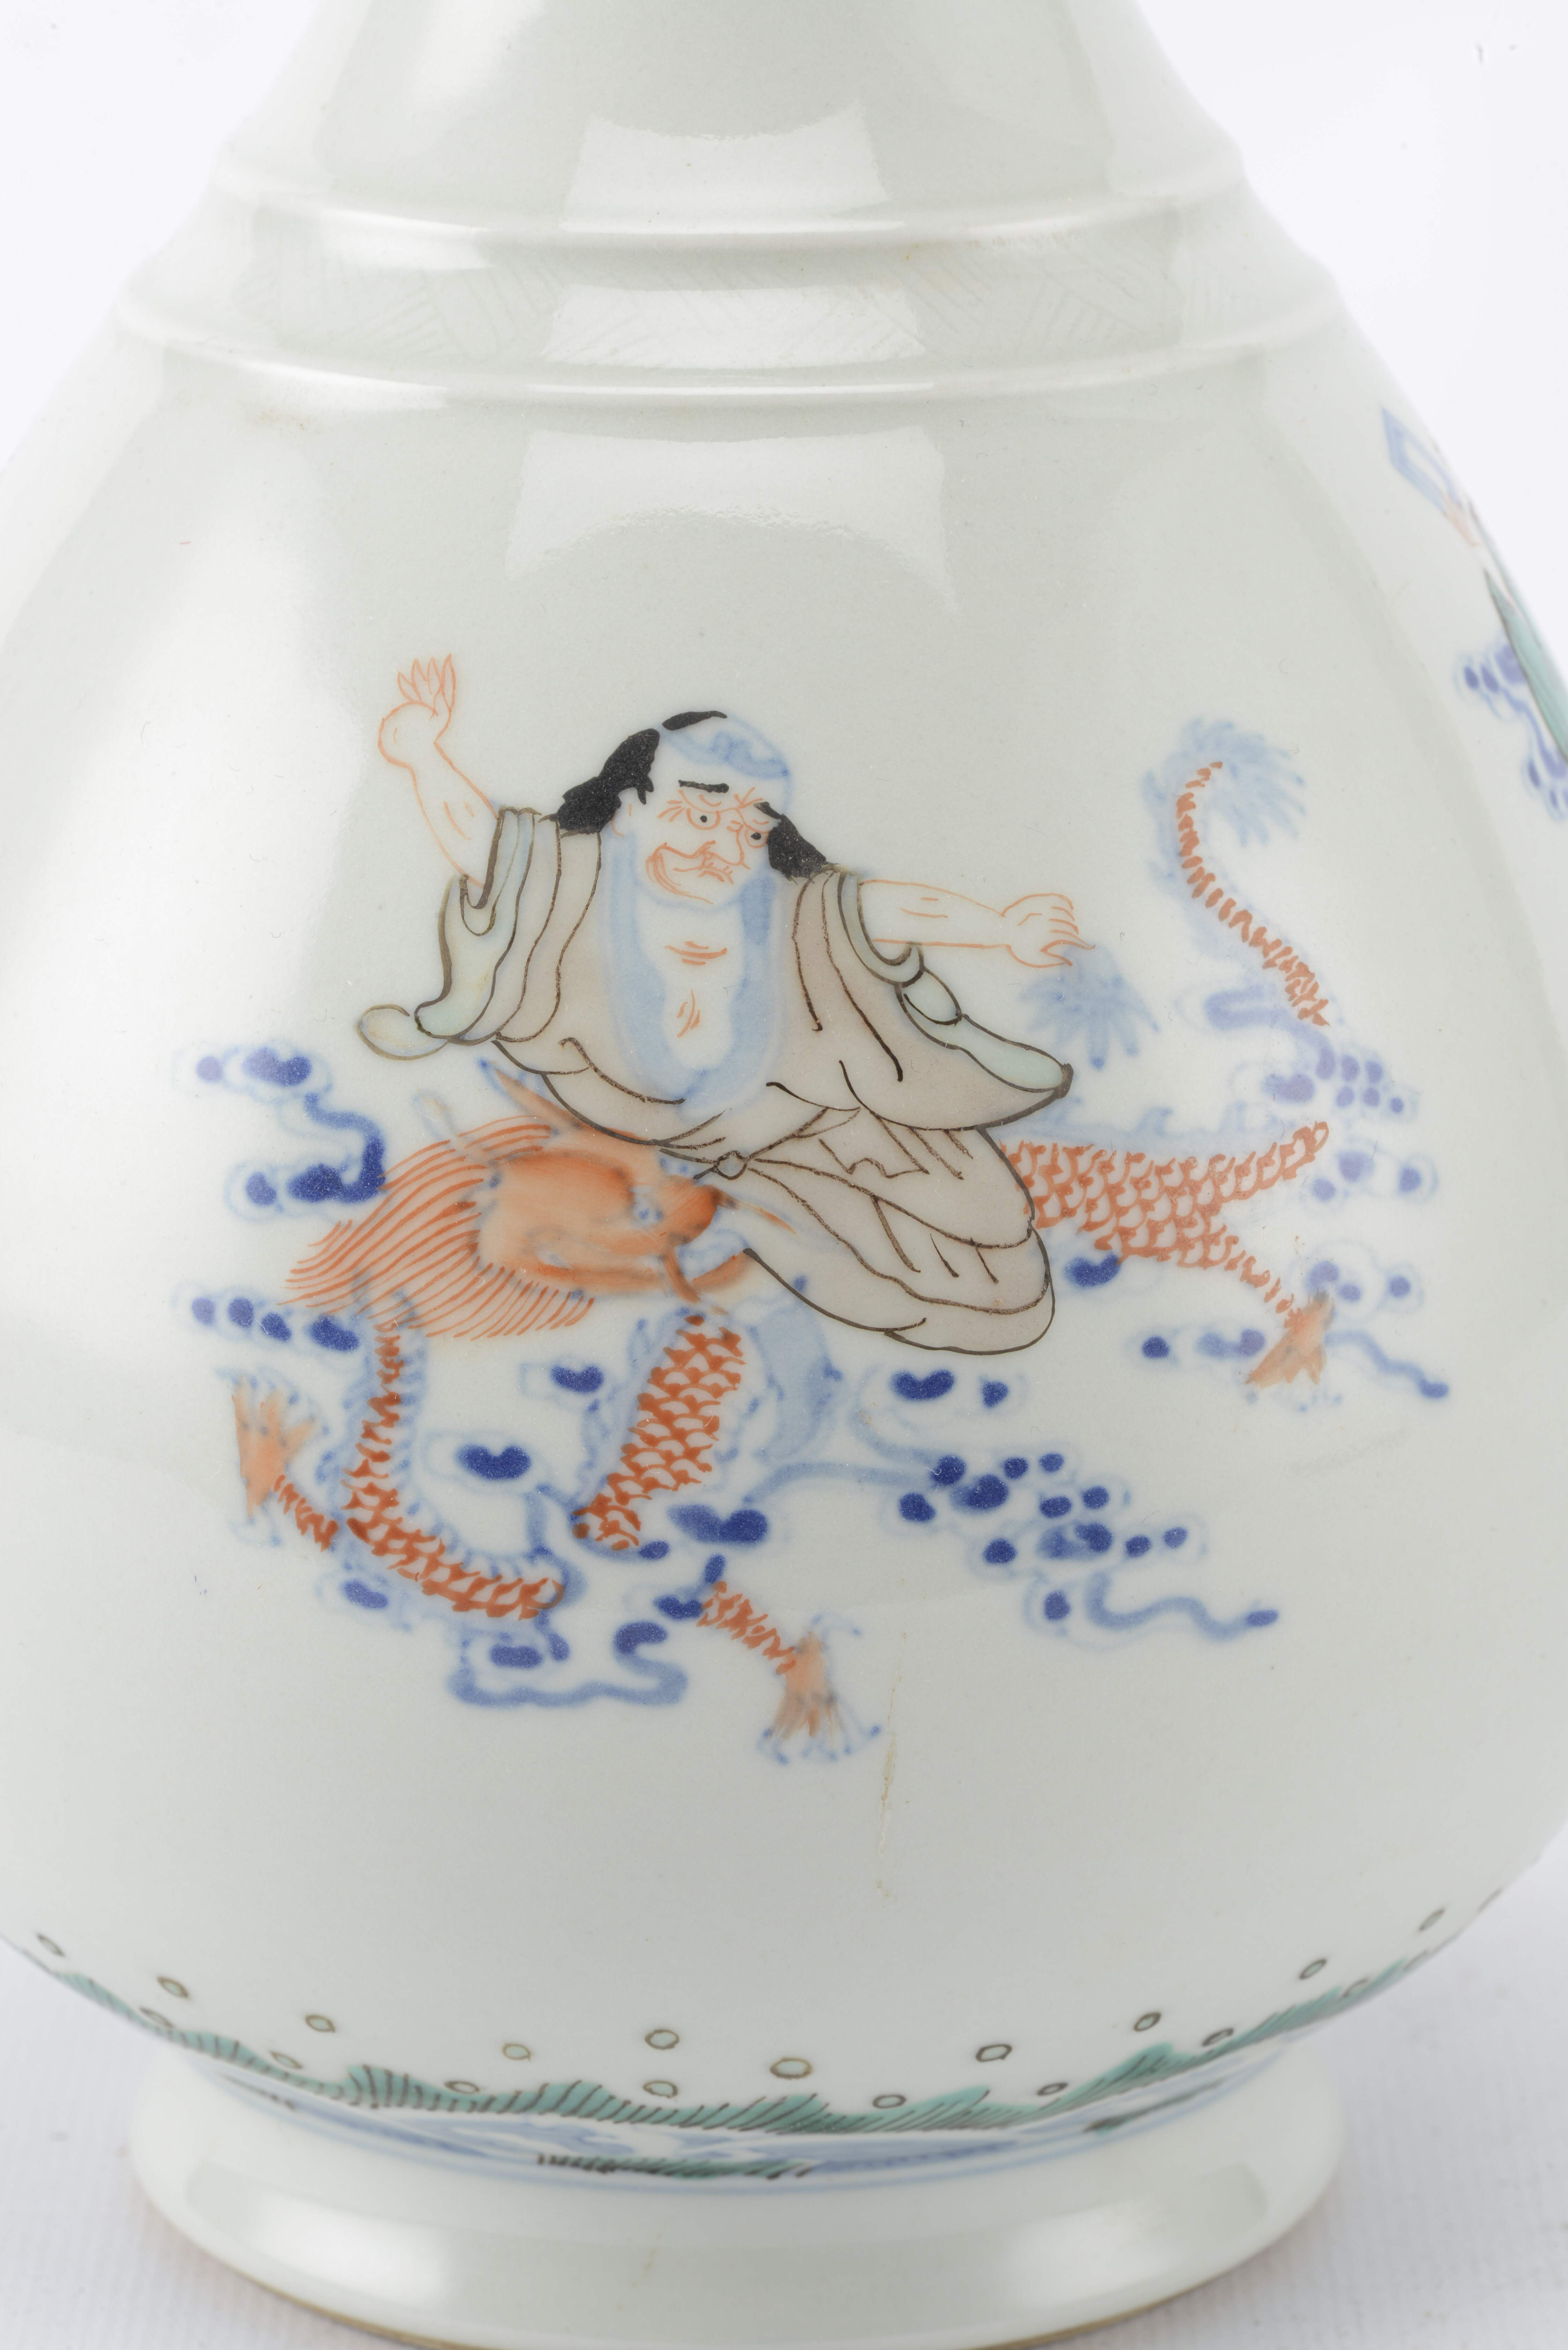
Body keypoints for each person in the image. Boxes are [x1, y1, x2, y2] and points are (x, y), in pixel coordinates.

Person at [362, 660, 1084, 1354]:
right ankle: (739, 1233)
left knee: (1000, 1242)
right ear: (629, 809)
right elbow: (485, 844)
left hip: (827, 1118)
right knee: (876, 1267)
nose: (722, 848)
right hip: (727, 1163)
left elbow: (879, 910)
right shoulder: (570, 885)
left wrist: (1002, 929)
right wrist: (423, 756)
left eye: (750, 830)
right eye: (699, 815)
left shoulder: (787, 913)